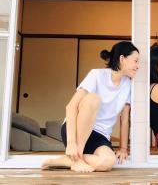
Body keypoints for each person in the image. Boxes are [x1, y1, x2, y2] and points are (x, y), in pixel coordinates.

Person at [42, 41, 139, 172]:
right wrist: (71, 143)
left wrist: (123, 149)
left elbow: (125, 119)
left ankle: (68, 160)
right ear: (122, 59)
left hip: (100, 135)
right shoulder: (97, 75)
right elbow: (71, 107)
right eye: (135, 61)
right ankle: (77, 156)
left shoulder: (129, 84)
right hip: (76, 129)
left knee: (108, 162)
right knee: (93, 99)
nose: (138, 66)